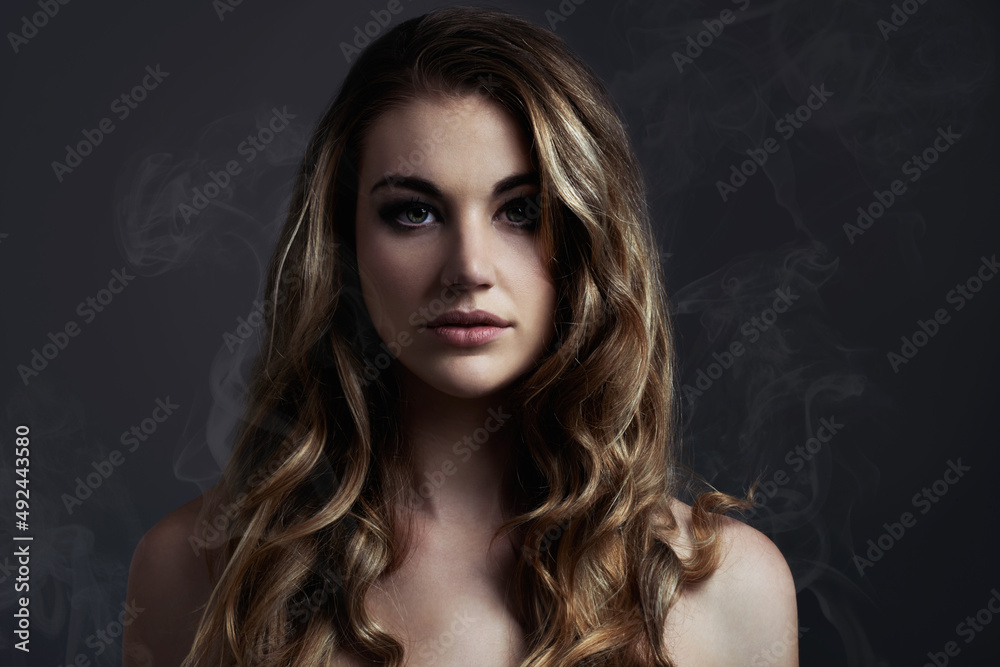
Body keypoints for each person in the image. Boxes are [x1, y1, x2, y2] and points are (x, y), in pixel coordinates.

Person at [123, 7, 797, 666]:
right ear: (344, 242)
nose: (469, 268)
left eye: (522, 210)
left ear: (590, 238)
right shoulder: (194, 569)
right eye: (413, 212)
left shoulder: (727, 588)